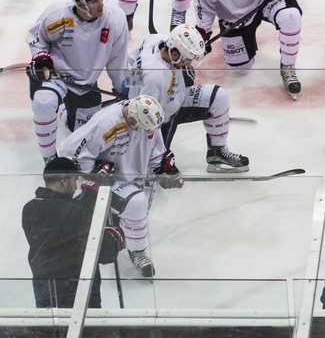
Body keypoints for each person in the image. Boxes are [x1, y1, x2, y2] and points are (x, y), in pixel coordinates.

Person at [57, 95, 180, 278]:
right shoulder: (106, 122)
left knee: (135, 204)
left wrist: (163, 167)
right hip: (102, 180)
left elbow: (155, 149)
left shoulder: (146, 121)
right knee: (137, 202)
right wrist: (94, 170)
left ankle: (123, 226)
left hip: (128, 176)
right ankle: (138, 250)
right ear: (131, 118)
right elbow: (68, 152)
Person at [26, 0, 129, 163]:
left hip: (87, 84)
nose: (100, 4)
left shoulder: (115, 19)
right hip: (57, 78)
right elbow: (37, 40)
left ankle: (64, 112)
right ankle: (50, 160)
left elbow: (117, 61)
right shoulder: (57, 15)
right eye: (93, 0)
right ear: (79, 3)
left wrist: (122, 87)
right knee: (43, 102)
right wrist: (41, 59)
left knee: (84, 136)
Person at [125, 24, 249, 172]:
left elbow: (131, 63)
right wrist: (159, 153)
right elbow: (148, 123)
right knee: (152, 167)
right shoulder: (155, 78)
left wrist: (130, 89)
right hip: (161, 119)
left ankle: (217, 151)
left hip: (175, 98)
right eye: (187, 60)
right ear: (175, 54)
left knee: (219, 97)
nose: (188, 64)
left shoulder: (156, 39)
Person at [22, 157, 126, 308]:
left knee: (50, 331)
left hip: (45, 292)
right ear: (63, 181)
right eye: (74, 180)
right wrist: (116, 234)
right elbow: (105, 252)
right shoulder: (74, 212)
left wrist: (89, 193)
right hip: (78, 293)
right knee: (87, 330)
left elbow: (62, 219)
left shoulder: (29, 208)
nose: (76, 186)